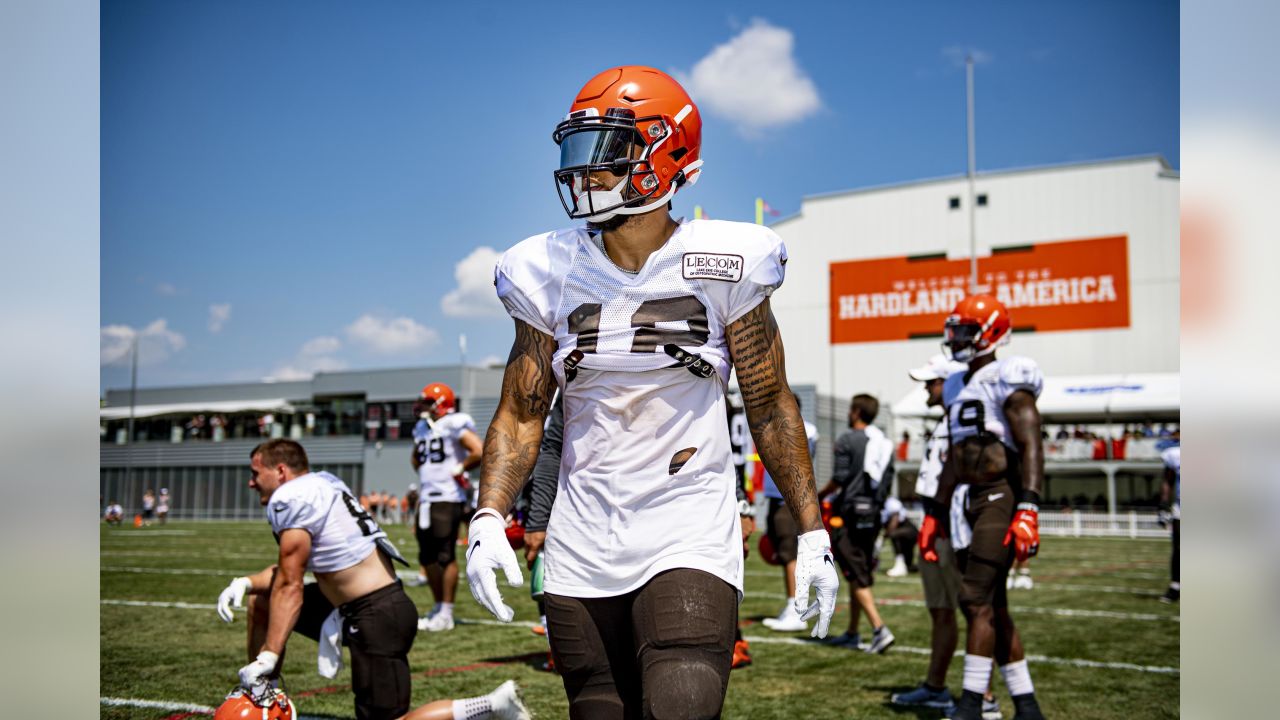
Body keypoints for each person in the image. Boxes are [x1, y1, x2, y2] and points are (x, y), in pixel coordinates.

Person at [465, 65, 839, 718]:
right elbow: (523, 415)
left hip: (687, 527)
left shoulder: (728, 260)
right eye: (577, 151)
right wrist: (489, 517)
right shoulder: (543, 269)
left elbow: (770, 404)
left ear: (665, 154)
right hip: (580, 540)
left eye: (605, 151)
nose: (585, 172)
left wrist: (813, 532)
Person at [215, 439, 529, 720]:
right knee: (262, 598)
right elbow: (287, 573)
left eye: (256, 474)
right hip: (362, 607)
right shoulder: (322, 484)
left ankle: (491, 705)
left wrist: (269, 654)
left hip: (376, 615)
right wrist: (245, 583)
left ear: (281, 471)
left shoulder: (291, 497)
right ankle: (264, 691)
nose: (251, 483)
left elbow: (290, 584)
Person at [923, 294, 1047, 720]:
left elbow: (1031, 443)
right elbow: (954, 455)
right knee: (992, 605)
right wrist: (934, 512)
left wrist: (1029, 506)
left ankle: (972, 705)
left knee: (974, 598)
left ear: (991, 332)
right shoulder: (956, 383)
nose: (955, 337)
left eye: (965, 330)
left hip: (1001, 494)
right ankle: (1027, 706)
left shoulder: (1009, 376)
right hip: (964, 499)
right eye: (954, 329)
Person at [891, 355, 1001, 718]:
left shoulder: (967, 423)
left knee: (975, 611)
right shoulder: (945, 421)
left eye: (933, 381)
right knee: (940, 611)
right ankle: (936, 687)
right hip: (934, 522)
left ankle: (983, 695)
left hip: (956, 526)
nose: (927, 387)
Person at [818, 393, 896, 653]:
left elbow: (839, 478)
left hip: (849, 513)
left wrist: (818, 495)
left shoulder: (847, 439)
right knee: (858, 571)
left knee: (854, 572)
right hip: (873, 513)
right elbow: (887, 480)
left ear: (855, 412)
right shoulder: (884, 443)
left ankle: (879, 628)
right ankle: (853, 632)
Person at [410, 382, 483, 632]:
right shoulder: (422, 428)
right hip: (428, 498)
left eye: (429, 402)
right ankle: (438, 606)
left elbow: (478, 450)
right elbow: (416, 458)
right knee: (427, 557)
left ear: (442, 404)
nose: (424, 407)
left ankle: (447, 612)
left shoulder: (455, 423)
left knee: (444, 555)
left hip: (448, 498)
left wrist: (460, 468)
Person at [761, 397, 820, 632]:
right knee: (784, 552)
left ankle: (797, 611)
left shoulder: (800, 428)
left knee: (790, 556)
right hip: (777, 498)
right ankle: (792, 606)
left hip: (787, 498)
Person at [1159, 433, 1180, 603]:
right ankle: (1176, 586)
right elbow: (1168, 480)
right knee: (1179, 548)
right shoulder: (1175, 454)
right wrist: (1164, 504)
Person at [881, 495, 918, 578]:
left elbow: (895, 519)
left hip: (909, 530)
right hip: (903, 531)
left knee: (894, 535)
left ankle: (900, 565)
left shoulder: (891, 502)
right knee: (908, 563)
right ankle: (907, 566)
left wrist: (887, 534)